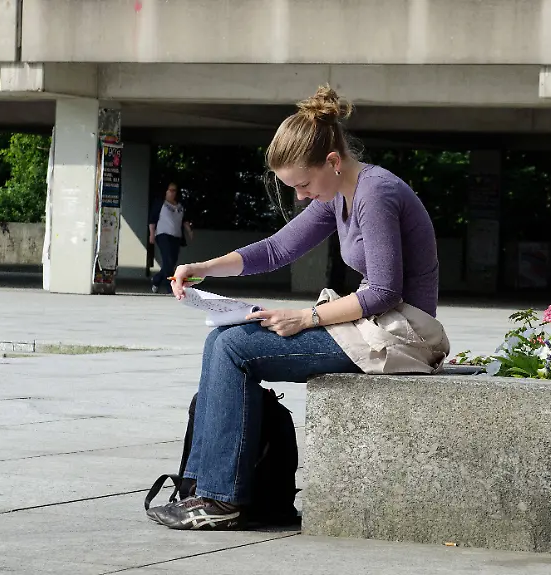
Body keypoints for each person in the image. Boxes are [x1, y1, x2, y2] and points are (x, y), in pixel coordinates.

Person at [146, 85, 449, 531]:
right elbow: (276, 249)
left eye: (303, 184)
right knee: (223, 340)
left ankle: (218, 499)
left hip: (400, 335)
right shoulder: (339, 193)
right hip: (373, 325)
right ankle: (202, 490)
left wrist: (304, 317)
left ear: (332, 161)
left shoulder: (375, 193)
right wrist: (204, 267)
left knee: (233, 349)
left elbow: (384, 290)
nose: (303, 196)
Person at [148, 183, 194, 294]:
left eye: (175, 191)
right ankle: (170, 287)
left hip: (176, 237)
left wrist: (189, 231)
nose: (173, 193)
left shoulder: (180, 206)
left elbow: (185, 220)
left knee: (171, 262)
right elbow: (152, 220)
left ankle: (156, 280)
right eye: (171, 190)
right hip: (163, 235)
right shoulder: (160, 204)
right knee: (167, 260)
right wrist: (151, 234)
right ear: (166, 192)